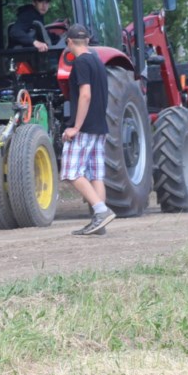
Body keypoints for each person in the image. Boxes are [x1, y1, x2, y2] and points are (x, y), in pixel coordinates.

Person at [61, 23, 115, 236]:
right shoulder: (98, 61)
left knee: (71, 172)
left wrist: (76, 126)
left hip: (85, 128)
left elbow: (85, 95)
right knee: (95, 175)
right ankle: (99, 224)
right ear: (88, 41)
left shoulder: (81, 62)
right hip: (99, 126)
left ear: (69, 42)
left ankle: (101, 211)